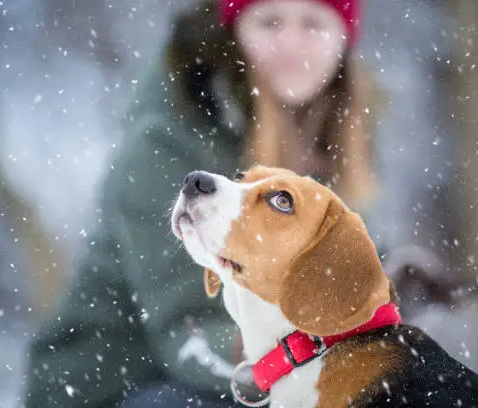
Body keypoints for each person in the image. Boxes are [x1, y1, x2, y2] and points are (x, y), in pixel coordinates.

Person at [23, 0, 386, 407]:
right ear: (232, 31)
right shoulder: (167, 141)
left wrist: (384, 286)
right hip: (115, 384)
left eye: (313, 24)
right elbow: (187, 327)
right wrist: (307, 353)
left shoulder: (344, 135)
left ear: (343, 38)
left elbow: (328, 268)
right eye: (270, 22)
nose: (290, 43)